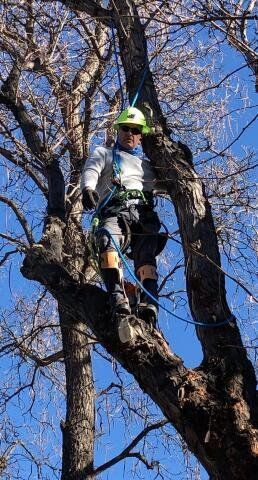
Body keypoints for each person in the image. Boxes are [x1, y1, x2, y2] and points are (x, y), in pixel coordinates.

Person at [81, 107, 166, 325]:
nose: (130, 133)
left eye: (136, 130)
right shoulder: (105, 153)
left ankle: (149, 303)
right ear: (118, 130)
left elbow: (170, 183)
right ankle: (118, 297)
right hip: (114, 211)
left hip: (142, 215)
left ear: (141, 136)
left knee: (146, 258)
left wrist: (182, 158)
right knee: (107, 242)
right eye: (126, 128)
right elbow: (91, 170)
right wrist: (88, 188)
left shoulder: (146, 167)